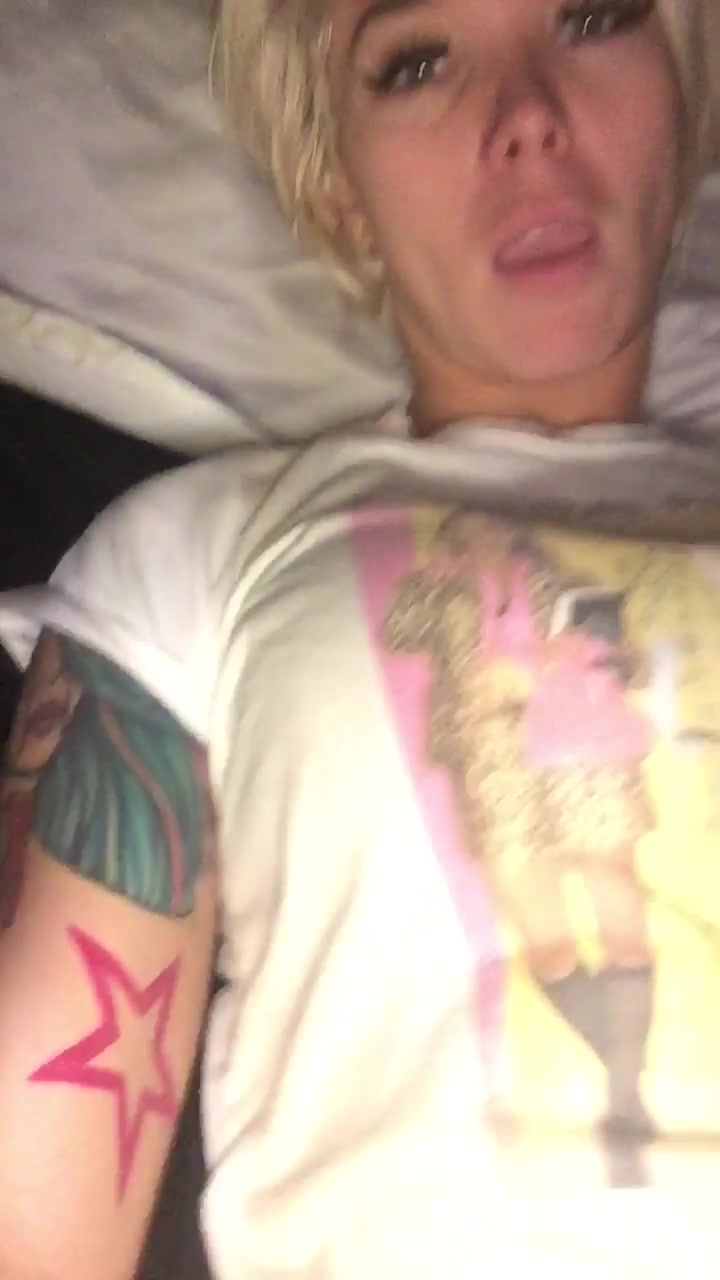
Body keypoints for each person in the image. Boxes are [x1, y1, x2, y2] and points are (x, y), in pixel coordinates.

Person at [1, 0, 720, 1275]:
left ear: (685, 94)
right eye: (418, 63)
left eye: (596, 14)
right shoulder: (201, 550)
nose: (527, 119)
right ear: (340, 188)